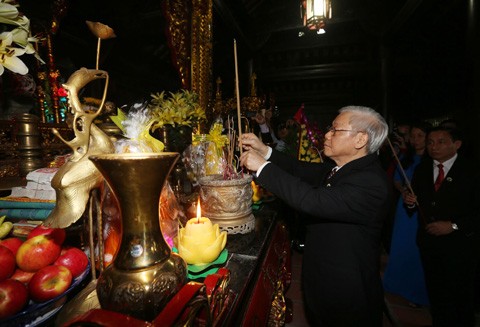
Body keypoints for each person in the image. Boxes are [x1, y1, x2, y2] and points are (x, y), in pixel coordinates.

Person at [239, 105, 391, 326]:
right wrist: (266, 151)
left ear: (360, 140)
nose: (327, 135)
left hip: (347, 290)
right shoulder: (344, 168)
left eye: (335, 130)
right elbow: (301, 169)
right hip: (325, 277)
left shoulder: (371, 183)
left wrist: (262, 168)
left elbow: (312, 201)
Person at [403, 126, 480, 327]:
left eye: (441, 141)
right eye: (430, 142)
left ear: (457, 144)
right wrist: (410, 201)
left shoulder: (472, 171)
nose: (434, 147)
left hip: (460, 245)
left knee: (460, 298)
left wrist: (454, 225)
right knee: (437, 295)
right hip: (430, 243)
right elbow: (415, 202)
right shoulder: (422, 169)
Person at [383, 121, 431, 307]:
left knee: (417, 249)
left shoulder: (431, 161)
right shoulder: (406, 158)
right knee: (401, 245)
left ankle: (416, 291)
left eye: (421, 136)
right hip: (404, 209)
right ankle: (396, 285)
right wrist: (403, 190)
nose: (416, 140)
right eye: (414, 136)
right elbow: (397, 179)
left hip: (421, 209)